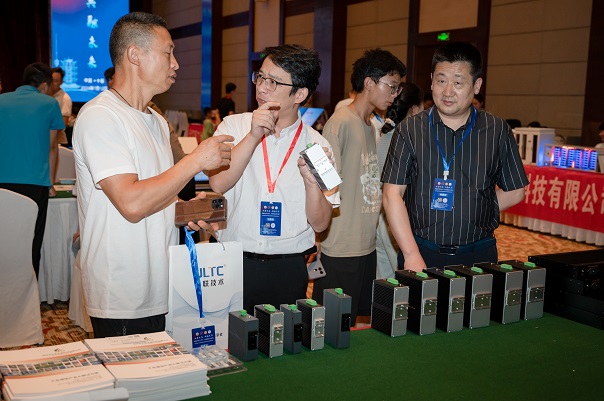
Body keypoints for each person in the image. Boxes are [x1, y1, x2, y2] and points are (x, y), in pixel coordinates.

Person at [73, 12, 233, 338]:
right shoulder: (100, 116)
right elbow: (132, 203)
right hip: (122, 290)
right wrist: (195, 160)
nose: (176, 64)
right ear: (134, 55)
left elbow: (155, 194)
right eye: (168, 52)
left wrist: (186, 211)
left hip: (161, 282)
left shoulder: (157, 121)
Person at [209, 44, 338, 313]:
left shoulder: (317, 145)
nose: (262, 88)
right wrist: (253, 135)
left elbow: (321, 223)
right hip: (234, 261)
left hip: (288, 267)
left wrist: (311, 184)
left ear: (300, 94)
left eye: (273, 82)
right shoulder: (234, 127)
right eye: (260, 77)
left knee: (284, 337)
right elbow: (218, 183)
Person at [382, 41, 529, 271]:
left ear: (477, 85)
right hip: (421, 251)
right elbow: (392, 195)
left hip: (479, 254)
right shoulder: (409, 130)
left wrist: (475, 209)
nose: (448, 91)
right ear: (432, 80)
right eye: (441, 81)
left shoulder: (497, 130)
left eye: (458, 83)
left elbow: (516, 190)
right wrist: (411, 254)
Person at [312, 48, 406, 325]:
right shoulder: (340, 123)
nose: (394, 94)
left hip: (365, 242)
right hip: (341, 244)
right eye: (391, 86)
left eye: (397, 88)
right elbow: (325, 186)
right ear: (369, 83)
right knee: (332, 324)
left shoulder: (370, 125)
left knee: (352, 320)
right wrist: (318, 237)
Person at [0, 62, 64, 277]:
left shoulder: (1, 100)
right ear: (44, 85)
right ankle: (28, 293)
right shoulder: (50, 104)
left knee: (4, 240)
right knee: (30, 244)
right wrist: (51, 183)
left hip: (1, 183)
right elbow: (52, 147)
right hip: (34, 183)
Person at [375, 82, 424, 279]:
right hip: (398, 218)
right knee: (403, 280)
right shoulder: (406, 140)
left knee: (385, 281)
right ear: (414, 110)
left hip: (382, 218)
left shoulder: (385, 134)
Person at [49, 67, 72, 145]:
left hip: (59, 141)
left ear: (61, 82)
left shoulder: (65, 98)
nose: (52, 83)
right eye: (51, 80)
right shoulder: (44, 95)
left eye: (55, 81)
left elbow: (63, 123)